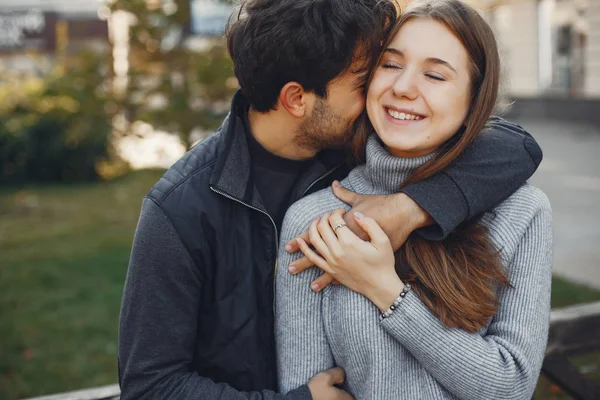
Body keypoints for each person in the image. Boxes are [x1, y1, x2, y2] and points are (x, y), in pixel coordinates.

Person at [118, 0, 544, 399]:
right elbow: (151, 384)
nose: (395, 89)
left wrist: (411, 207)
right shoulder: (181, 210)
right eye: (373, 74)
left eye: (432, 74)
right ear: (297, 99)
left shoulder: (356, 143)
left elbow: (516, 145)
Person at [275, 1, 552, 399]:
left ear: (474, 99)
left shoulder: (522, 211)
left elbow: (510, 387)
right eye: (389, 65)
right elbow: (312, 385)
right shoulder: (317, 220)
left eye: (435, 75)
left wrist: (384, 289)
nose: (403, 87)